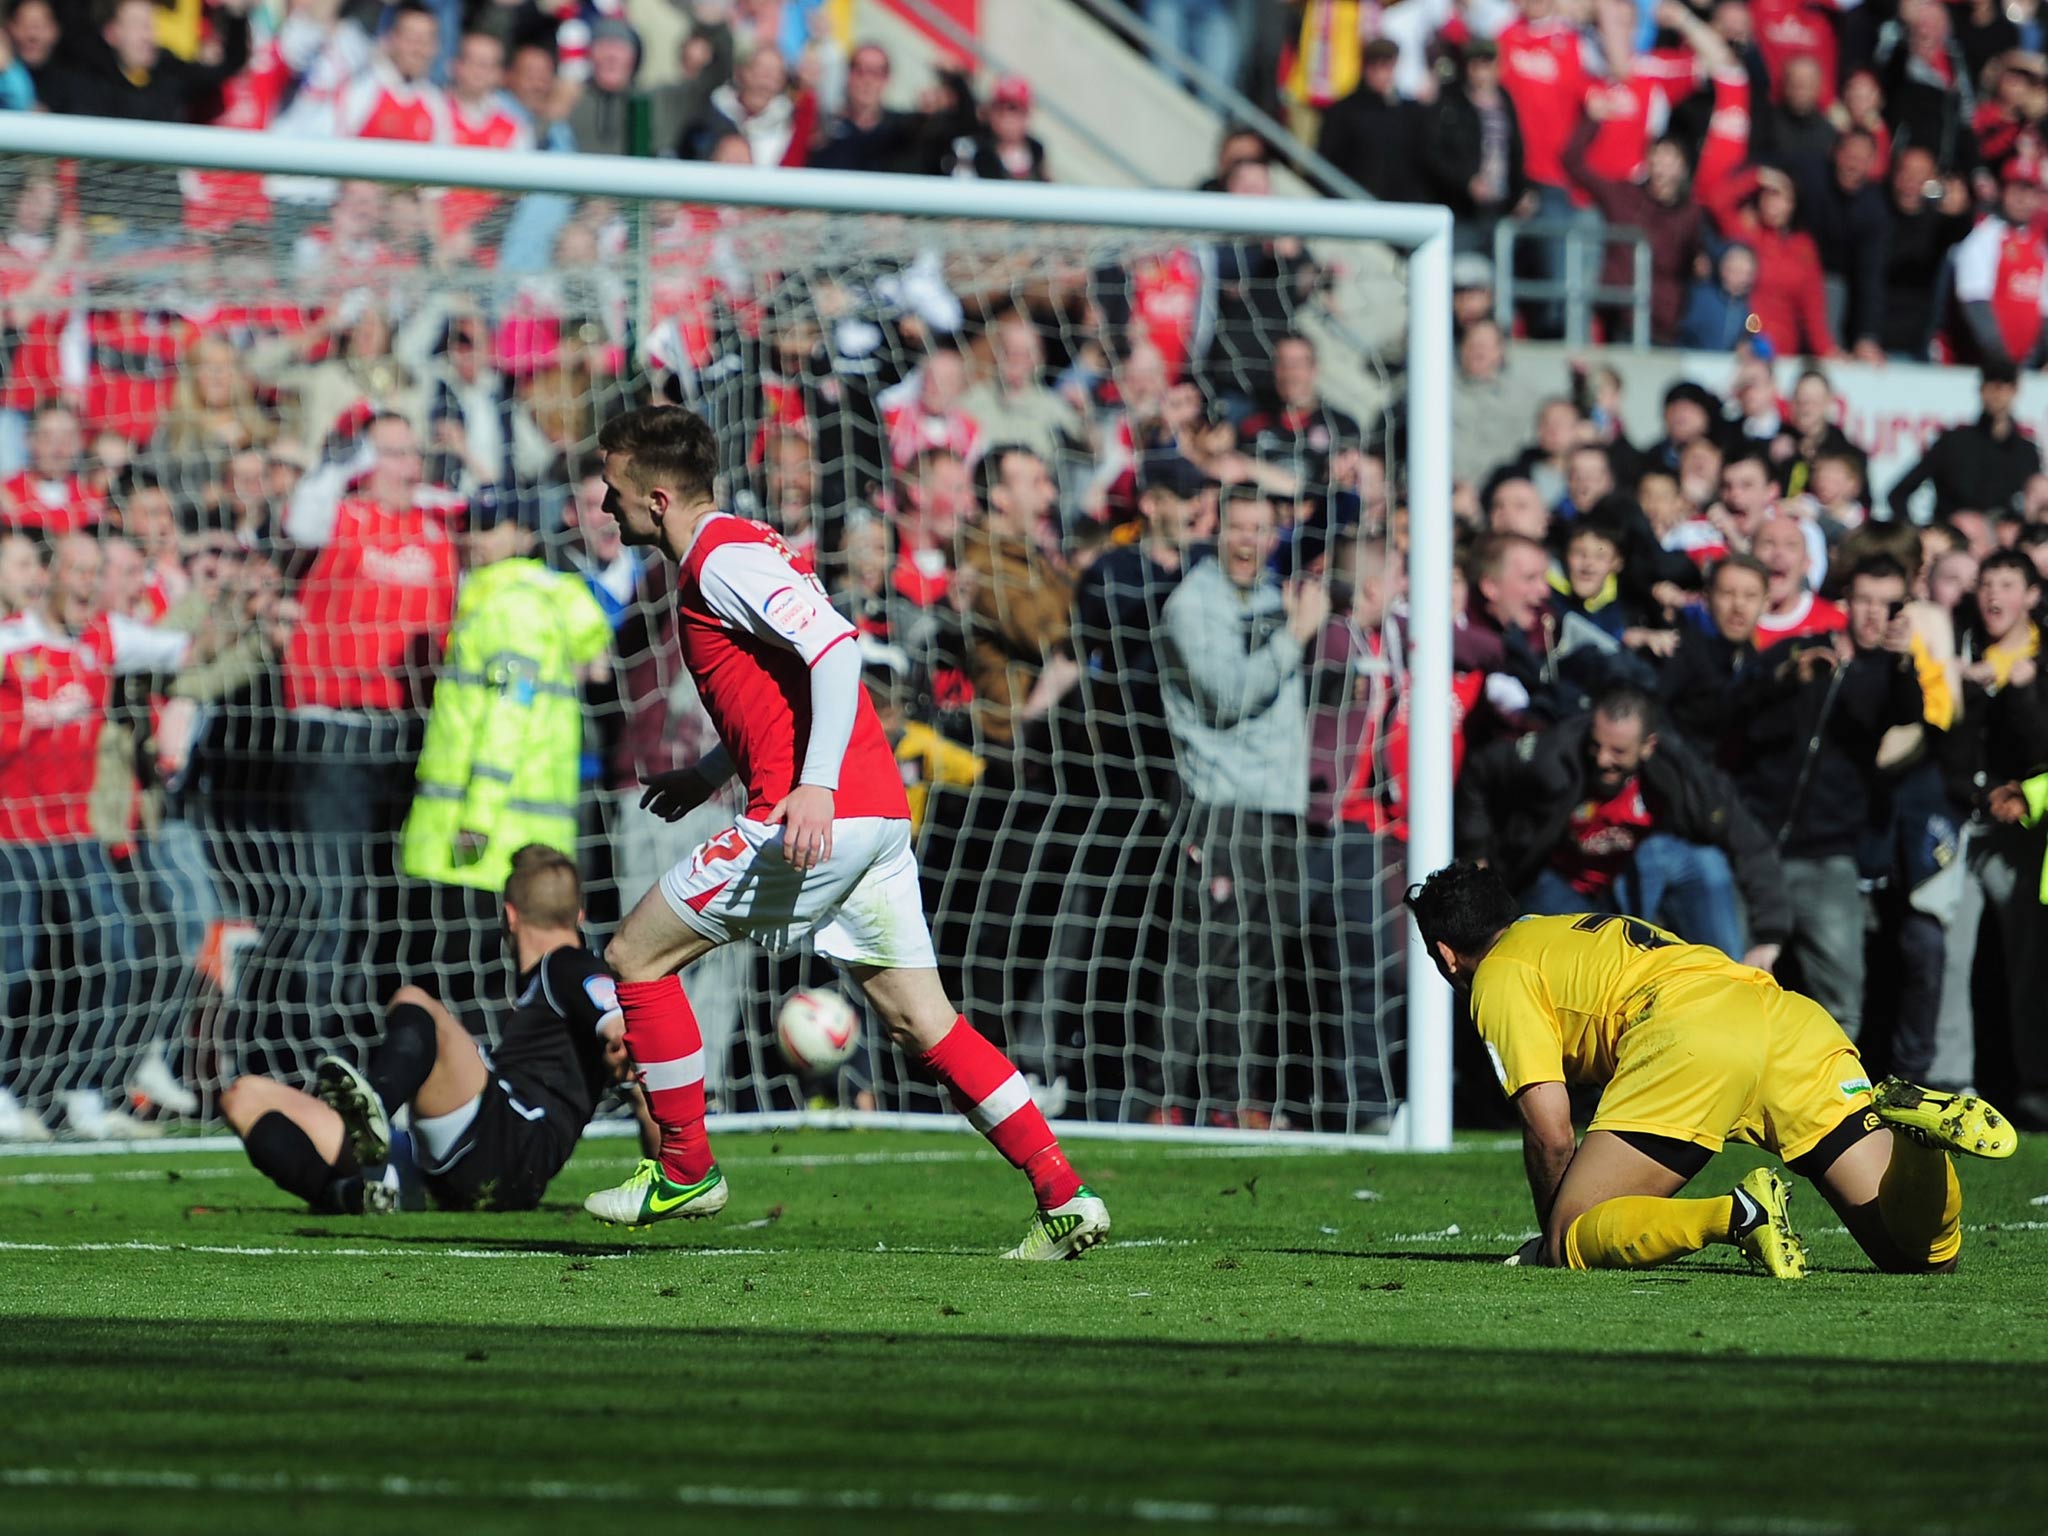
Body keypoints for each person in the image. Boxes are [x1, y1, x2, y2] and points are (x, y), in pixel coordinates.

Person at [583, 405, 1109, 1259]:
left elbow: (833, 648)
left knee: (633, 960)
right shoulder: (735, 549)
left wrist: (814, 787)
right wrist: (711, 773)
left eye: (613, 490)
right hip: (872, 815)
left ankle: (684, 1168)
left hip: (817, 816)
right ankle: (1063, 1193)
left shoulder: (722, 559)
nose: (606, 505)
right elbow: (782, 687)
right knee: (921, 1021)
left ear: (655, 495)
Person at [1408, 858, 2017, 1274]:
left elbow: (1551, 1130)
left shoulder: (1498, 973)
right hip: (1783, 1018)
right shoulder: (1557, 931)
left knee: (1574, 1235)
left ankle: (1738, 1213)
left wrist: (1555, 1237)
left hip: (1694, 1034)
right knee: (1919, 1254)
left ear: (1443, 954)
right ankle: (1922, 1144)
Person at [220, 846, 649, 1214]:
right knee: (245, 1098)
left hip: (512, 1144)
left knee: (414, 1002)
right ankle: (352, 1195)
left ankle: (375, 1110)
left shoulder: (569, 963)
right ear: (579, 914)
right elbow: (644, 1080)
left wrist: (618, 1036)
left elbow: (622, 1027)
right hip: (461, 1158)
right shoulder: (547, 982)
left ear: (510, 916)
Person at [398, 493, 610, 1019]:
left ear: (525, 536)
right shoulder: (524, 601)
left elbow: (506, 715)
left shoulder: (509, 606)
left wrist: (478, 815)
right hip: (515, 837)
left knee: (465, 993)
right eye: (470, 526)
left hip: (479, 845)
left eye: (492, 527)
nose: (474, 538)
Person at [1157, 489, 1323, 1127]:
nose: (1250, 540)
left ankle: (1239, 1101)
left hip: (1277, 804)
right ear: (1214, 532)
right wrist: (1296, 636)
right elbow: (1227, 695)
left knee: (1262, 962)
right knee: (1207, 958)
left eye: (1262, 528)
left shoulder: (1272, 599)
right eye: (1239, 528)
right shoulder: (1193, 605)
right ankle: (1169, 1099)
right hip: (1220, 804)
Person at [1732, 557, 1926, 1045]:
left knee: (1841, 1002)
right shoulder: (1800, 651)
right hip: (1753, 846)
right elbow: (1737, 707)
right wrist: (1787, 677)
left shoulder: (1890, 670)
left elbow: (1909, 713)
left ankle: (1833, 1112)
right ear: (1845, 603)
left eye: (1887, 605)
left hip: (1827, 855)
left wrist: (1904, 662)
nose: (1873, 614)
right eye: (1864, 600)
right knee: (1727, 988)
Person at [1455, 684, 1788, 961]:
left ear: (1648, 747)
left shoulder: (1678, 775)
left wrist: (1769, 936)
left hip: (1633, 885)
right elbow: (1480, 772)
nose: (1602, 760)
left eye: (1618, 751)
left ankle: (1724, 982)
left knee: (1703, 861)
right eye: (1597, 746)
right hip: (1556, 884)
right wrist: (1477, 853)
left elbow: (1746, 839)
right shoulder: (1553, 753)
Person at [1886, 363, 2041, 524]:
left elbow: (2036, 506)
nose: (1997, 394)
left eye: (2004, 386)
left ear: (2015, 391)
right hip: (1956, 540)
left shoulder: (2026, 452)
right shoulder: (1953, 443)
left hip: (2005, 545)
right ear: (1981, 390)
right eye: (1991, 386)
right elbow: (1898, 494)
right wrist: (1921, 535)